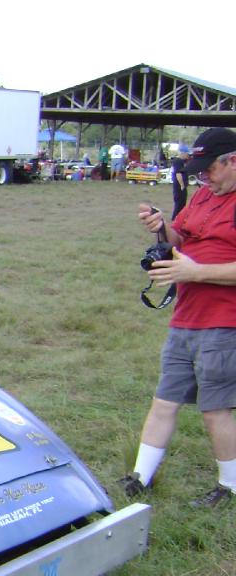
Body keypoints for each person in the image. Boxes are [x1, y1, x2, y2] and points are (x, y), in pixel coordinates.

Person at [121, 127, 236, 507]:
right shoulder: (203, 195)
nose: (204, 176)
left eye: (210, 168)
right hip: (186, 317)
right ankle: (140, 477)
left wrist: (195, 272)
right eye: (198, 170)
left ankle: (230, 487)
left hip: (224, 322)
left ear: (233, 160)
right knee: (165, 400)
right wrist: (162, 228)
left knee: (215, 409)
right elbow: (180, 239)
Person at [171, 144, 191, 218]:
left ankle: (179, 218)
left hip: (182, 186)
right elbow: (178, 174)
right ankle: (175, 218)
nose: (188, 155)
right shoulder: (178, 161)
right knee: (179, 204)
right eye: (187, 154)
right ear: (183, 153)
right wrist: (182, 185)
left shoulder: (182, 161)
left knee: (182, 204)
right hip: (179, 186)